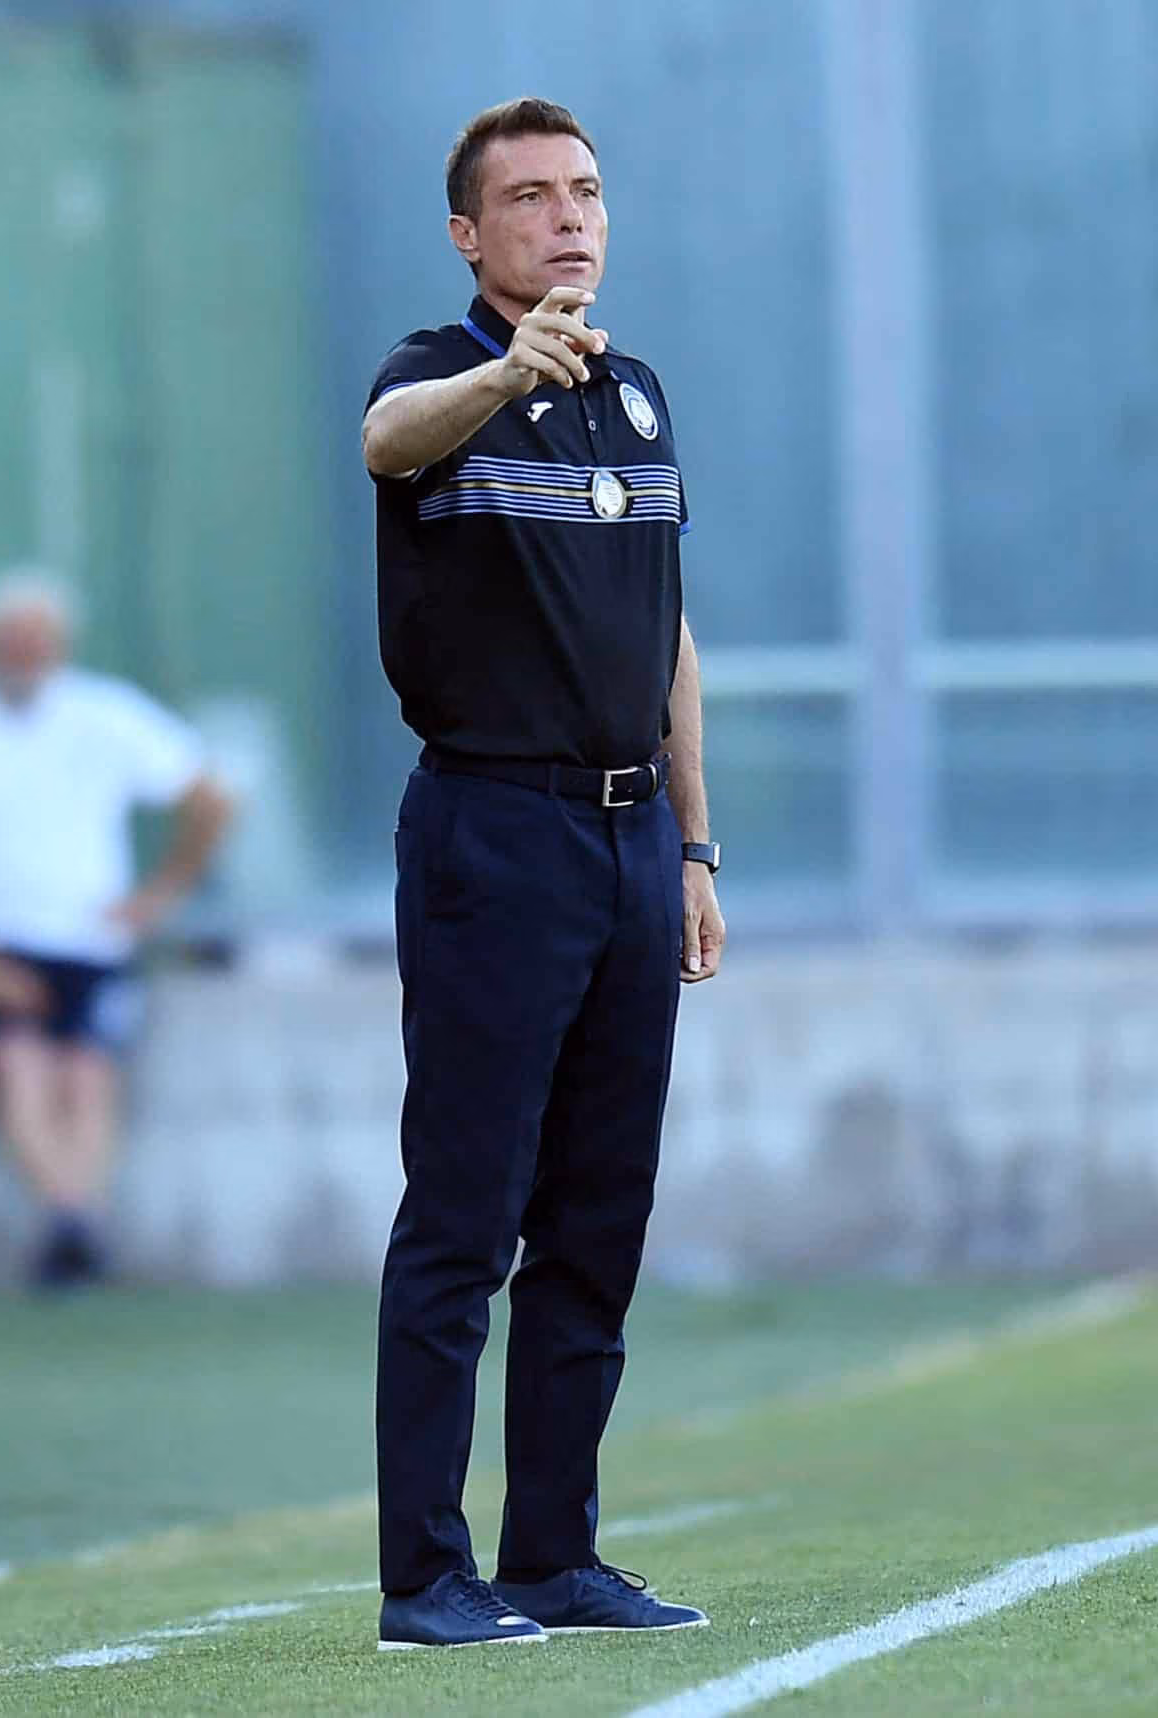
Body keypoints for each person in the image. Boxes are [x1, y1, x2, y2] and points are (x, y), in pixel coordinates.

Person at [357, 97, 723, 1650]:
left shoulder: (635, 393)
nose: (567, 217)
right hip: (496, 830)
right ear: (468, 232)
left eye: (584, 191)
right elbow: (384, 445)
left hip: (632, 839)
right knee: (466, 1211)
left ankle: (554, 1553)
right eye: (528, 198)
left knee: (599, 1212)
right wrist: (509, 370)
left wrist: (693, 844)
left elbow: (668, 633)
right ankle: (422, 1577)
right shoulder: (438, 373)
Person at [0, 571, 236, 1289]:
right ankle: (74, 1217)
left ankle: (71, 1222)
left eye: (35, 639)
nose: (22, 653)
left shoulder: (106, 715)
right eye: (9, 640)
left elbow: (210, 799)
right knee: (15, 1066)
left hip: (90, 941)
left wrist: (159, 896)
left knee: (87, 1075)